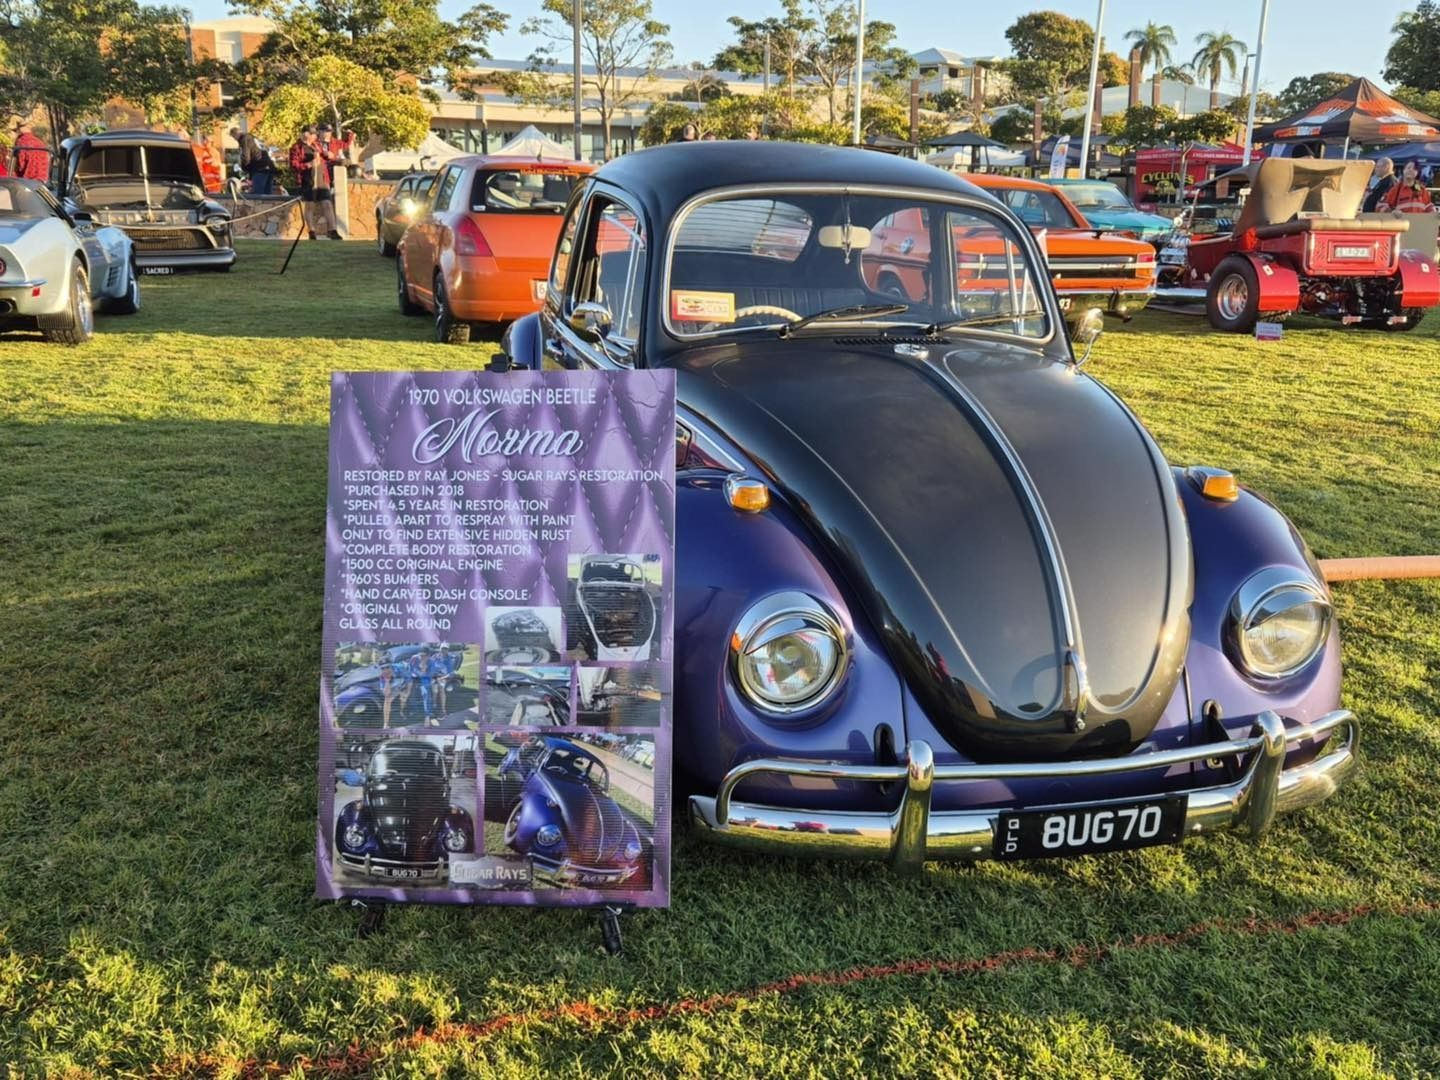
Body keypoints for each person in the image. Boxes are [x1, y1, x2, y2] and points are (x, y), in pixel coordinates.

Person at [288, 126, 342, 239]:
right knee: (310, 206)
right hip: (307, 180)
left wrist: (331, 156)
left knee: (327, 203)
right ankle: (312, 232)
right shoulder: (296, 147)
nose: (315, 136)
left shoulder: (315, 145)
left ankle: (332, 231)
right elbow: (293, 166)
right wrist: (308, 165)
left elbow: (324, 156)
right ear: (306, 134)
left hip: (321, 178)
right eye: (313, 134)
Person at [231, 126, 275, 196]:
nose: (235, 140)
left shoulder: (244, 140)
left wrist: (245, 169)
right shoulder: (252, 137)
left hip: (259, 167)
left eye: (234, 137)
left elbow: (245, 157)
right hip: (269, 166)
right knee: (267, 195)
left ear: (235, 134)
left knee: (257, 195)